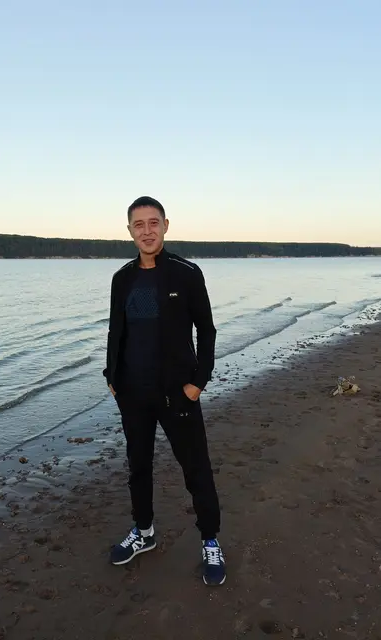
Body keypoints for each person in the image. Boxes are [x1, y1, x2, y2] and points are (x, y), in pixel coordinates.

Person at [103, 196, 226, 586]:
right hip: (132, 394)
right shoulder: (122, 278)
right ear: (129, 231)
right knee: (138, 467)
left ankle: (210, 540)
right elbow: (116, 329)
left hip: (178, 394)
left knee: (196, 469)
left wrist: (198, 382)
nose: (147, 231)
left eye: (153, 223)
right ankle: (144, 532)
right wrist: (111, 375)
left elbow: (206, 331)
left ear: (166, 226)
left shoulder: (186, 273)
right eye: (138, 225)